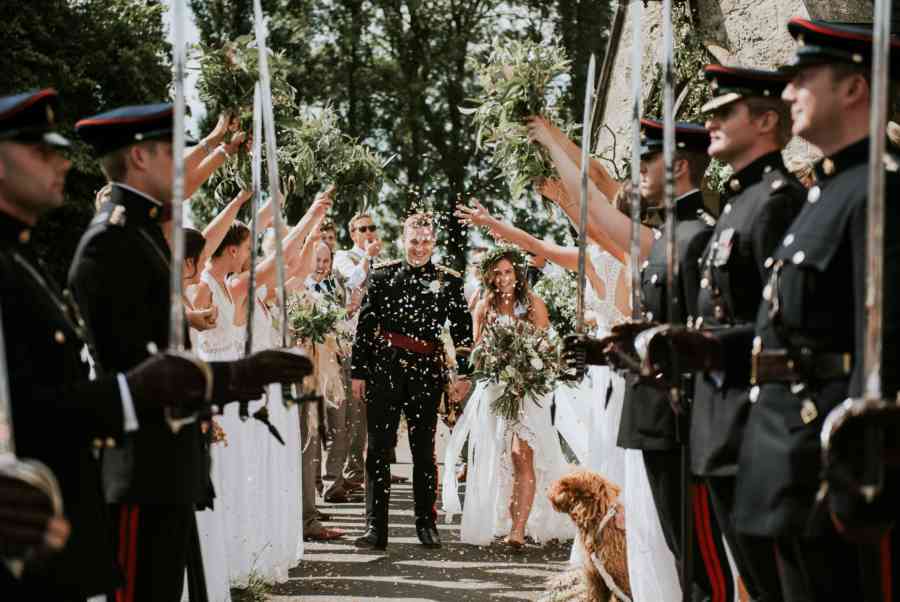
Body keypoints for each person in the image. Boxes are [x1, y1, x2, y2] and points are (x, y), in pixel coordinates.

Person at [0, 89, 247, 600]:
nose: (61, 161)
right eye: (40, 150)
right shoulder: (107, 241)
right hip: (135, 466)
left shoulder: (38, 255)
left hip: (145, 465)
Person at [68, 102, 313, 602]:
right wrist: (236, 376)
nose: (179, 168)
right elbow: (146, 368)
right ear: (140, 157)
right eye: (171, 153)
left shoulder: (139, 235)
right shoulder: (112, 244)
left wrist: (218, 147)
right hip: (141, 459)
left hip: (171, 452)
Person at [724, 19, 898, 600]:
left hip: (834, 461)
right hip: (786, 457)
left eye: (803, 79)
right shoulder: (825, 193)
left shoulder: (879, 192)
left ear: (853, 88)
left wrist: (867, 467)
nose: (789, 93)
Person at [558, 119, 734, 601]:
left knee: (702, 562)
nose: (637, 177)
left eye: (645, 165)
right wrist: (603, 352)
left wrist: (549, 137)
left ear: (676, 166)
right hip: (656, 416)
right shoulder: (672, 236)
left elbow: (694, 338)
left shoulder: (696, 237)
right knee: (682, 551)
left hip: (680, 418)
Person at [651, 64, 806, 601]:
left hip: (751, 415)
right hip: (719, 420)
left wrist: (708, 343)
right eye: (710, 112)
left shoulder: (778, 199)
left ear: (766, 121)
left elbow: (780, 320)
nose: (711, 121)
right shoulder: (741, 202)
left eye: (725, 112)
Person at [351, 212, 472, 550]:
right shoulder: (382, 276)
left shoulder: (448, 281)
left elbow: (463, 331)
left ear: (434, 242)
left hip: (426, 372)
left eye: (426, 241)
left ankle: (426, 525)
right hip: (384, 369)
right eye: (414, 240)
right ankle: (375, 528)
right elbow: (365, 326)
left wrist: (463, 372)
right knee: (378, 449)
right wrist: (358, 372)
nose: (419, 247)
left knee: (424, 450)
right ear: (403, 240)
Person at [441, 246, 574, 548]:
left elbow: (547, 349)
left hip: (528, 389)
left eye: (509, 272)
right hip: (496, 392)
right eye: (497, 273)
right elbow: (476, 352)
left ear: (518, 273)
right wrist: (493, 361)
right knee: (497, 458)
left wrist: (525, 364)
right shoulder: (483, 307)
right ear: (489, 276)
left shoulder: (534, 305)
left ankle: (518, 529)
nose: (503, 279)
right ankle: (501, 519)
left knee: (521, 456)